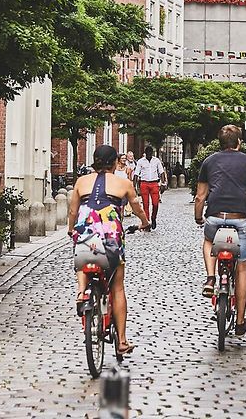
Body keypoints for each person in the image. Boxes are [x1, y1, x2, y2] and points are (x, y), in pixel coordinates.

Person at [68, 145, 150, 355]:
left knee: (82, 252)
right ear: (115, 162)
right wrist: (145, 222)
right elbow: (137, 207)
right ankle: (121, 341)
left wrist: (71, 230)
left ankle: (81, 292)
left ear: (94, 161)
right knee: (117, 288)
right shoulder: (124, 182)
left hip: (85, 236)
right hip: (110, 239)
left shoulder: (81, 181)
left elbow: (72, 210)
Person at [194, 125, 246, 336]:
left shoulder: (209, 161)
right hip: (240, 219)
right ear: (239, 143)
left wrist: (199, 217)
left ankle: (210, 277)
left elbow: (200, 197)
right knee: (241, 268)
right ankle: (241, 321)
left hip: (215, 217)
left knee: (208, 241)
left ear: (220, 143)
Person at [134, 146, 166, 230]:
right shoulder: (141, 161)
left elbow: (161, 172)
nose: (149, 154)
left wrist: (163, 183)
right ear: (145, 153)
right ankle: (146, 222)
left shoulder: (156, 161)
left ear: (152, 153)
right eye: (147, 153)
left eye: (150, 153)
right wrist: (134, 186)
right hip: (144, 183)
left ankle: (153, 217)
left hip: (154, 183)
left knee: (155, 203)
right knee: (145, 204)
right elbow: (136, 174)